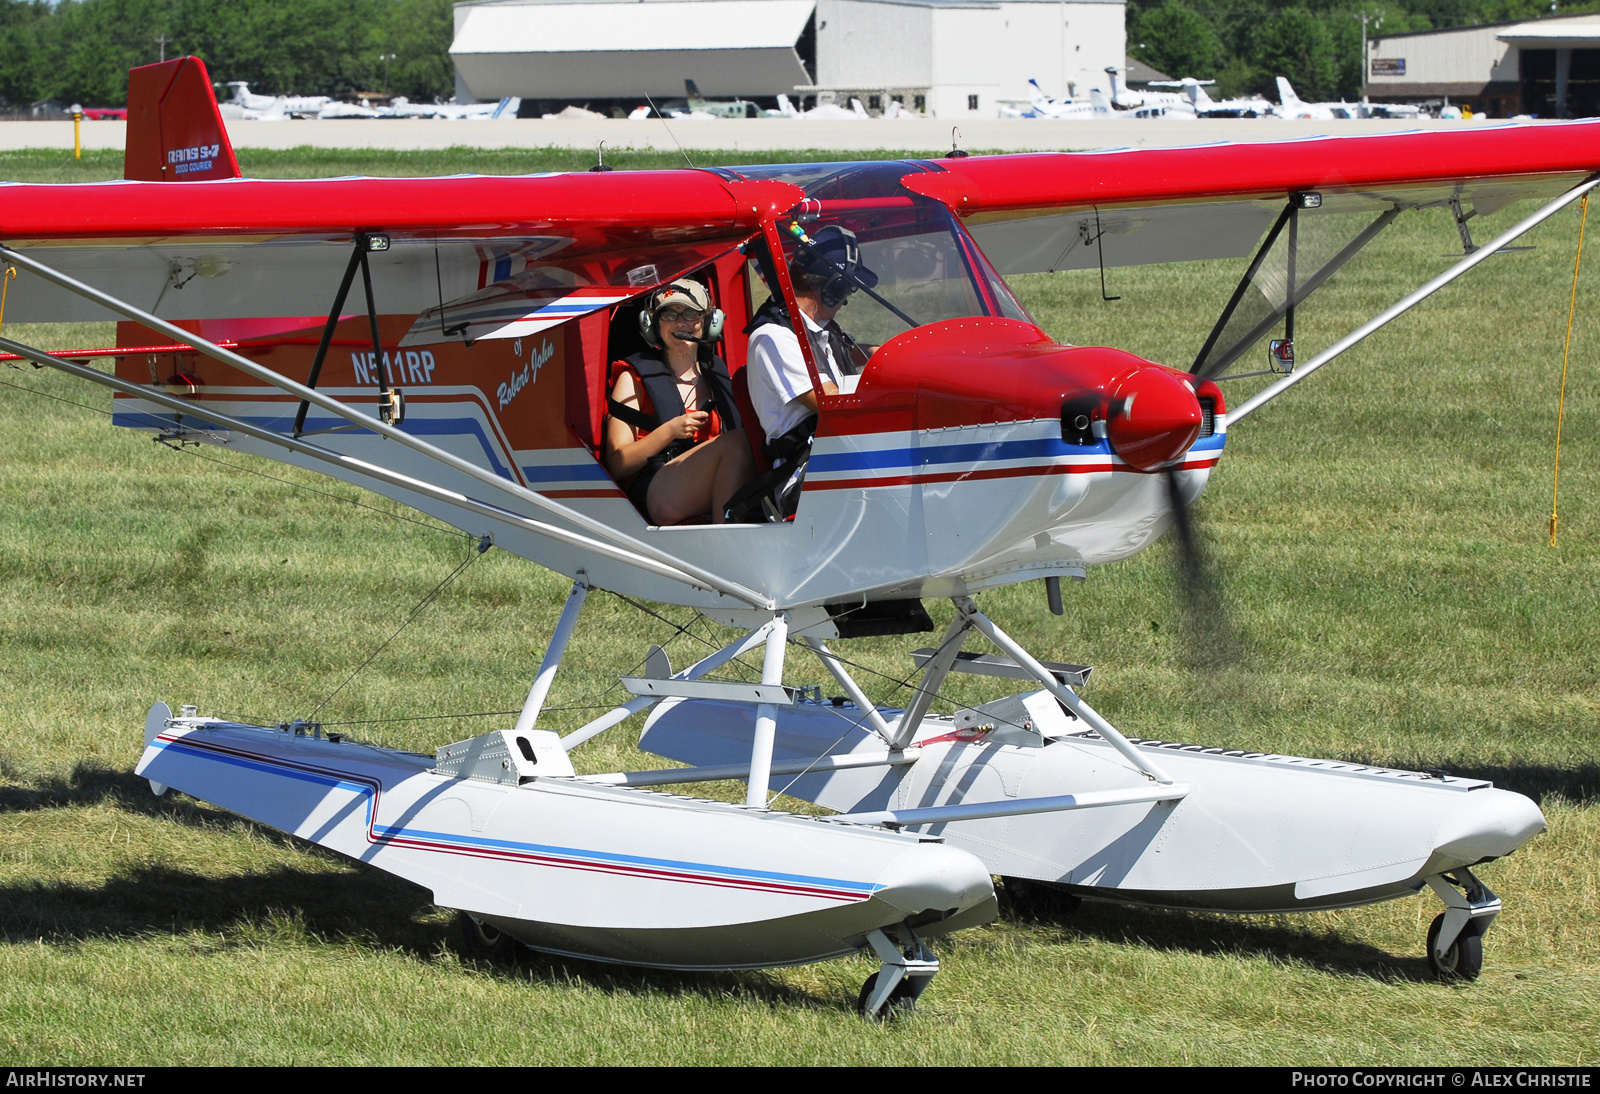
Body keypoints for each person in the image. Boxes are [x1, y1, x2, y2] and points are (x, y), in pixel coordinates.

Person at [603, 279, 754, 525]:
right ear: (652, 324)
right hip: (654, 489)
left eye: (691, 314)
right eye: (669, 314)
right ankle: (725, 544)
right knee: (736, 443)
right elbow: (618, 464)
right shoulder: (633, 378)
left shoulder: (718, 377)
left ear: (709, 322)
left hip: (705, 486)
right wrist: (670, 431)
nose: (681, 323)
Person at [745, 225, 876, 454]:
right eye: (849, 288)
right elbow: (833, 405)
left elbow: (840, 354)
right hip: (805, 472)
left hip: (834, 456)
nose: (848, 297)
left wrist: (885, 356)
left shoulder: (813, 327)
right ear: (834, 289)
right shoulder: (774, 338)